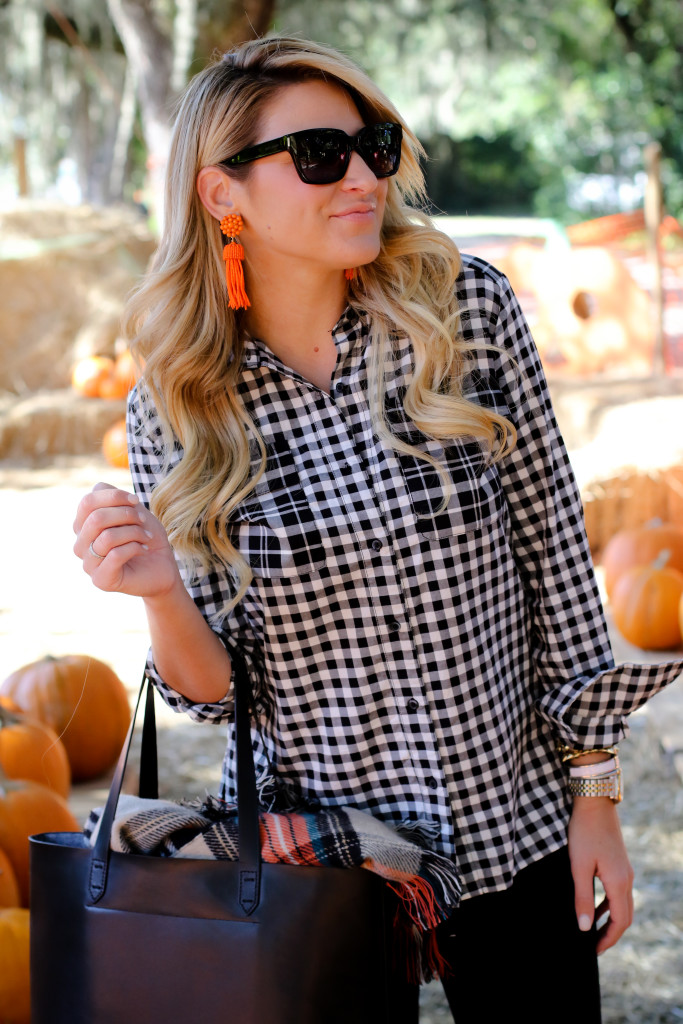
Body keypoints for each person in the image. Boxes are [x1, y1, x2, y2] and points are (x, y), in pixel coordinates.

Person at [73, 36, 682, 1022]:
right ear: (222, 194)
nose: (361, 175)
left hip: (512, 826)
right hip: (321, 858)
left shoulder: (465, 312)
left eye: (374, 145)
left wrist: (596, 800)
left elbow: (559, 576)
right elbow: (217, 691)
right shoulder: (176, 407)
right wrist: (156, 590)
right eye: (318, 154)